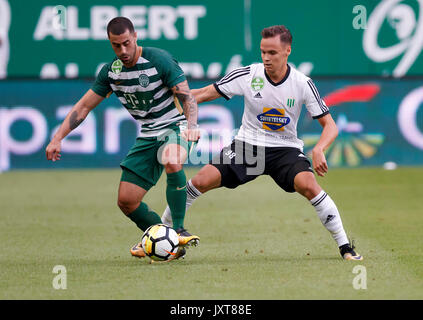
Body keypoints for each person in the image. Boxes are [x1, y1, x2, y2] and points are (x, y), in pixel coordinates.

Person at [162, 25, 363, 261]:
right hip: (248, 147)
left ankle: (345, 247)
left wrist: (319, 148)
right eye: (263, 52)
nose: (266, 58)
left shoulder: (302, 83)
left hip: (285, 150)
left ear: (287, 51)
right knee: (199, 181)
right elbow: (205, 93)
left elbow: (330, 125)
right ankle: (161, 234)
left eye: (273, 53)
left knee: (309, 186)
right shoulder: (248, 74)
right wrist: (172, 101)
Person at [46, 17, 200, 261]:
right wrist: (57, 137)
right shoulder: (111, 72)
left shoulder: (159, 59)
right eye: (116, 46)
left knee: (172, 159)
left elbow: (187, 98)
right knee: (126, 200)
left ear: (135, 36)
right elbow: (84, 106)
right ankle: (165, 240)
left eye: (127, 43)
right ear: (110, 43)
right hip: (149, 134)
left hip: (176, 126)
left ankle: (179, 229)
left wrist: (192, 126)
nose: (123, 50)